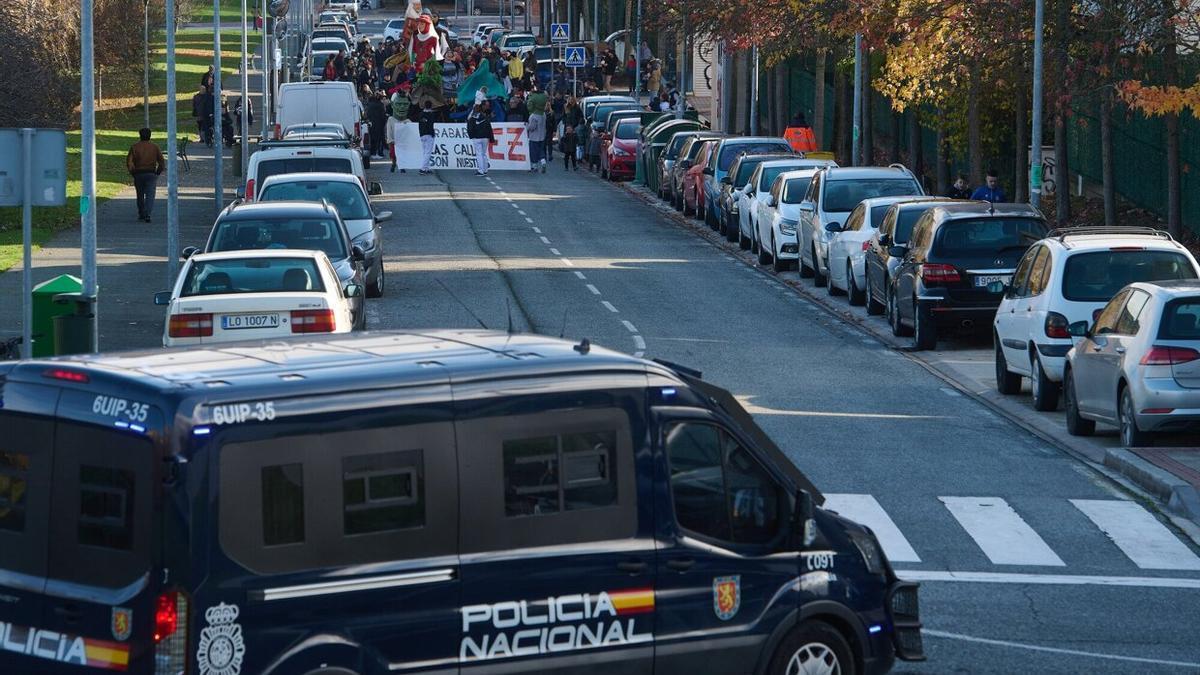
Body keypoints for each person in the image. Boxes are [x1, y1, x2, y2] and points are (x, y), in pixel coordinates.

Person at [126, 128, 165, 223]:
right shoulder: (154, 147)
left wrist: (133, 172)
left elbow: (129, 162)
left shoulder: (135, 147)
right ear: (150, 136)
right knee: (150, 195)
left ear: (140, 135)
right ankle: (147, 213)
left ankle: (141, 213)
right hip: (151, 173)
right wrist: (158, 172)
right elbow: (161, 161)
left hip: (138, 173)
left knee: (140, 194)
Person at [467, 102, 495, 176]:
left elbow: (470, 128)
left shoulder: (472, 117)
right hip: (485, 137)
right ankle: (485, 169)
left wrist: (471, 136)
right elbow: (489, 128)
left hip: (477, 137)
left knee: (479, 154)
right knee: (483, 153)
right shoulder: (485, 117)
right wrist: (491, 138)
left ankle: (481, 170)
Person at [366, 91, 388, 159]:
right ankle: (377, 153)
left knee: (372, 138)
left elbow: (368, 114)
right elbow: (383, 116)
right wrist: (384, 122)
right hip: (379, 124)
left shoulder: (370, 104)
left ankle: (372, 153)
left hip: (371, 123)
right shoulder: (380, 105)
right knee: (378, 139)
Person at [418, 99, 437, 174]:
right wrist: (432, 134)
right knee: (428, 152)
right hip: (429, 134)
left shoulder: (421, 114)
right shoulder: (431, 115)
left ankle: (426, 168)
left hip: (422, 134)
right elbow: (430, 125)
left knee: (425, 152)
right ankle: (423, 169)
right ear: (431, 106)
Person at [527, 103, 546, 173]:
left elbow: (532, 127)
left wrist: (527, 126)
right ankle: (543, 161)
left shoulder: (533, 116)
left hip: (534, 137)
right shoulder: (543, 114)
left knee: (533, 152)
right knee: (541, 151)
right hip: (542, 136)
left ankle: (534, 166)